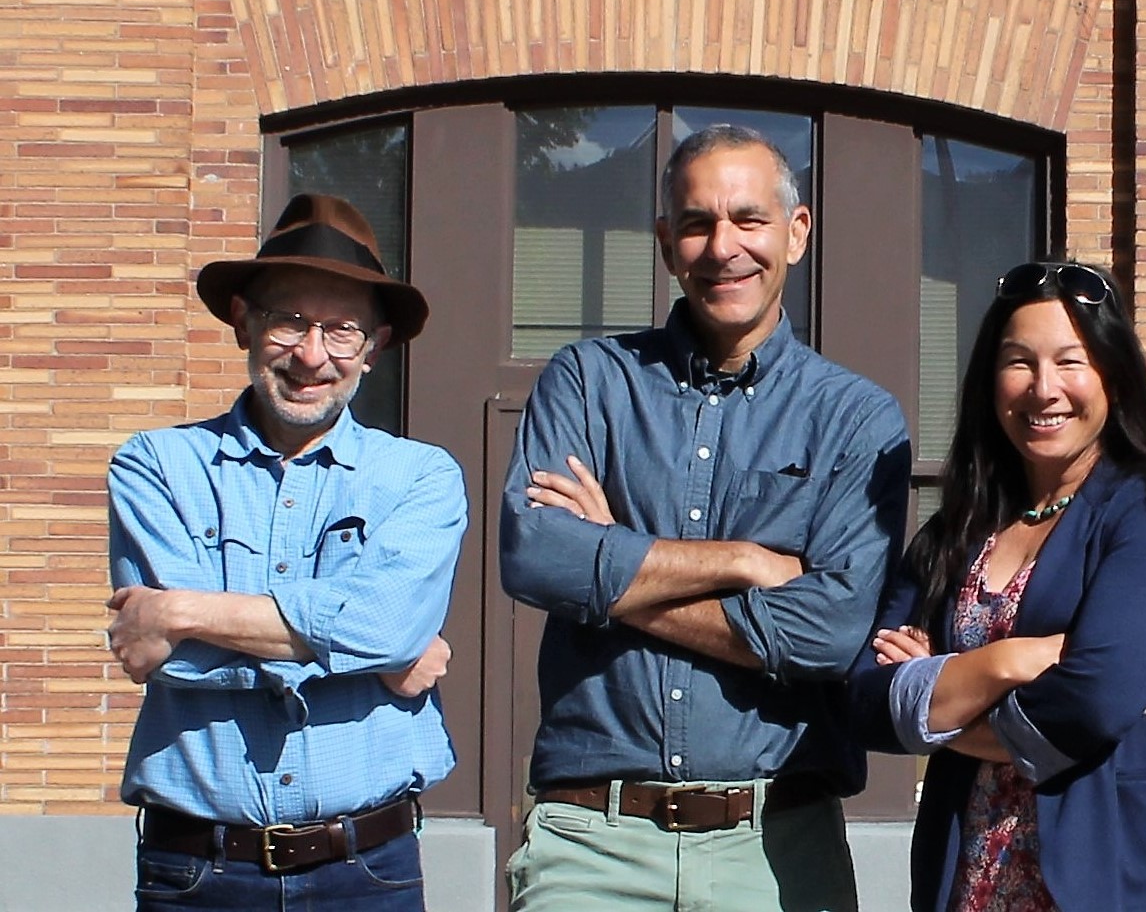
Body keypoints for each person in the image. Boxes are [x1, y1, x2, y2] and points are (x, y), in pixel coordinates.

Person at [499, 123, 912, 912]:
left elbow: (826, 632)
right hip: (592, 842)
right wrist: (744, 562)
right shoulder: (588, 381)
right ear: (665, 241)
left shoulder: (856, 418)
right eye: (696, 223)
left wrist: (611, 564)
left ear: (796, 233)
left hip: (775, 844)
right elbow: (534, 554)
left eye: (749, 220)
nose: (724, 246)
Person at [106, 193, 468, 911]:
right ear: (244, 320)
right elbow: (166, 657)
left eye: (340, 329)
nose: (311, 354)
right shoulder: (154, 464)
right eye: (290, 321)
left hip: (368, 869)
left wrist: (180, 609)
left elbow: (383, 627)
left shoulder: (422, 475)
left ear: (375, 345)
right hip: (196, 872)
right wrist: (373, 650)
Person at [848, 260, 1146, 912]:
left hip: (1118, 881)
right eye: (1019, 361)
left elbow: (1095, 701)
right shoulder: (960, 528)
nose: (1044, 388)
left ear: (1113, 373)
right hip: (966, 882)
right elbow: (862, 697)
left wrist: (940, 699)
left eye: (1070, 361)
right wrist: (1010, 659)